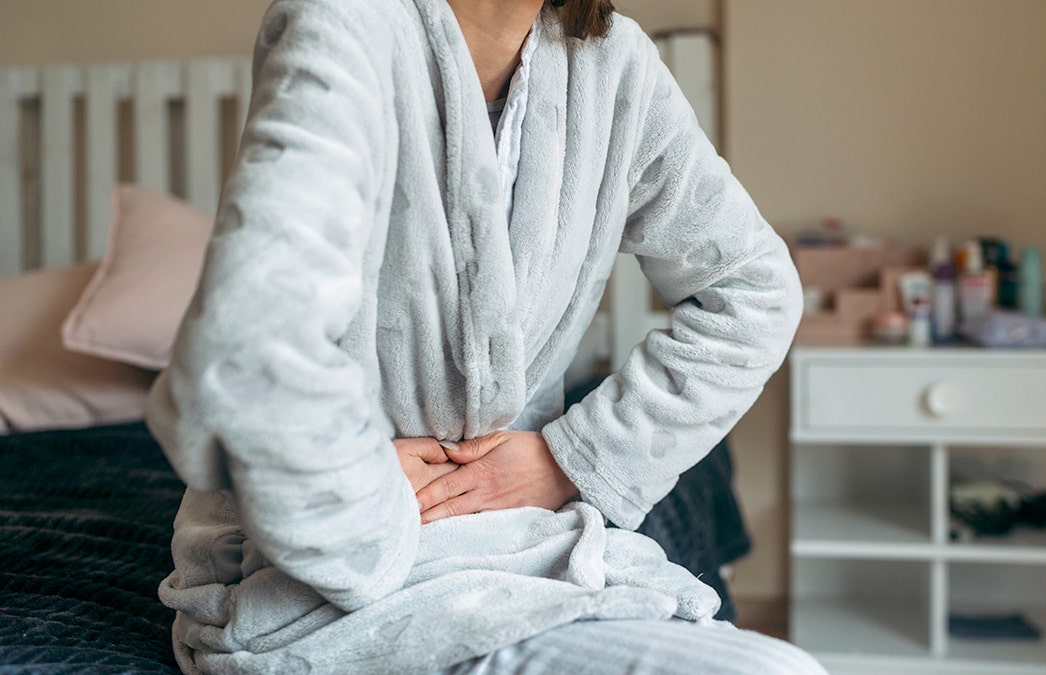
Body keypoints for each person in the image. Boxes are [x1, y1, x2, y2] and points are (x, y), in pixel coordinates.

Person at [147, 0, 825, 672]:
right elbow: (248, 345)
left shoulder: (614, 67)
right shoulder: (347, 24)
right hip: (307, 577)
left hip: (517, 549)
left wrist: (572, 459)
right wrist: (369, 502)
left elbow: (754, 291)